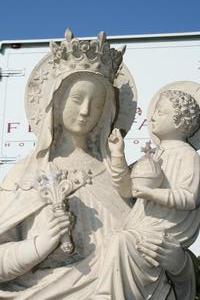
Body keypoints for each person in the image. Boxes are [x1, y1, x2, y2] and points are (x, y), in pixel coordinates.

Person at [0, 29, 196, 299]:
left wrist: (179, 263)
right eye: (77, 99)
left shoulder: (127, 178)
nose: (85, 111)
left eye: (97, 104)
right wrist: (39, 245)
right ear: (55, 102)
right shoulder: (26, 174)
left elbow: (155, 241)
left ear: (107, 112)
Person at [96, 83, 200, 299]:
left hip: (163, 233)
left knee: (120, 242)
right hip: (141, 229)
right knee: (114, 241)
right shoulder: (153, 155)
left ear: (179, 120)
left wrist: (150, 193)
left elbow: (189, 197)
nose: (152, 117)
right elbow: (128, 189)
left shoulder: (188, 156)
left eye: (160, 112)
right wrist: (117, 154)